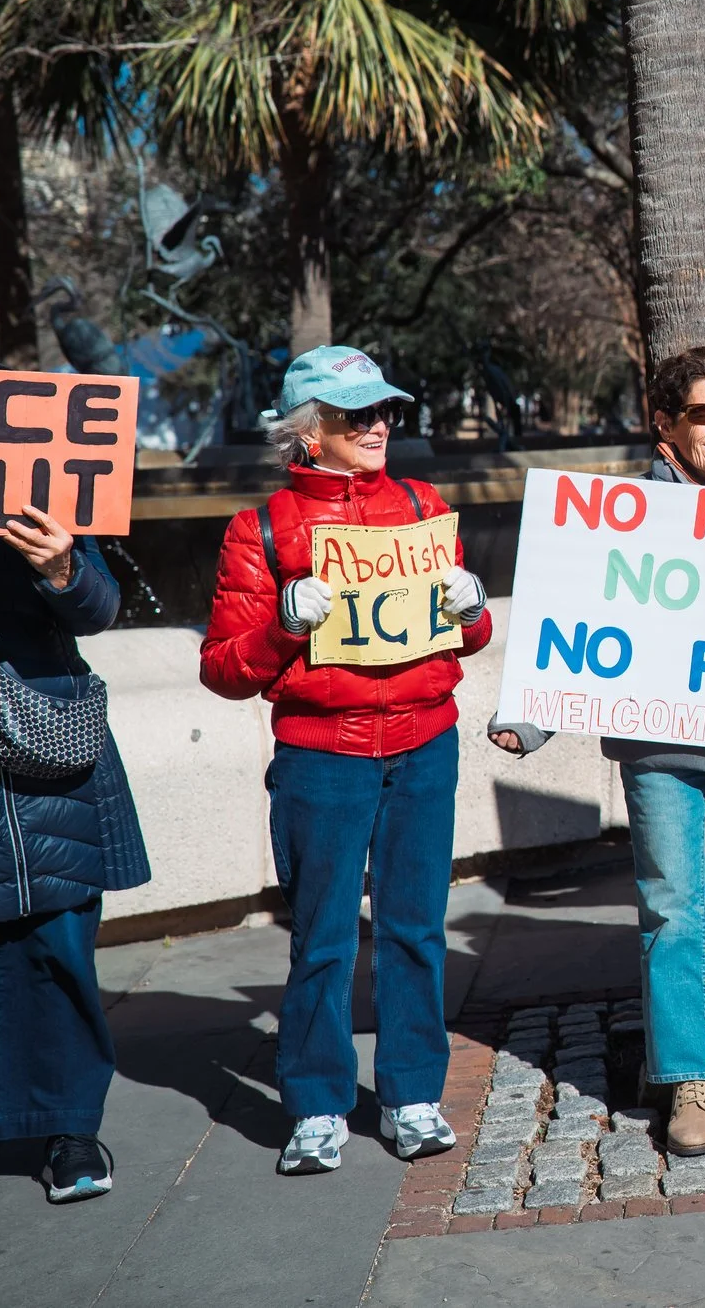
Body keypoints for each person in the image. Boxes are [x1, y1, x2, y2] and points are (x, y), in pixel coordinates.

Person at [502, 346, 705, 1158]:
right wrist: (528, 720)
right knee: (672, 911)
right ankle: (684, 1084)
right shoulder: (623, 509)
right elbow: (583, 620)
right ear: (664, 423)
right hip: (660, 751)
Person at [201, 346, 491, 1174]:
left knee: (414, 930)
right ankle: (318, 1103)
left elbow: (464, 634)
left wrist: (471, 609)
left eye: (383, 410)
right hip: (322, 759)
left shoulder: (423, 504)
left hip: (424, 746)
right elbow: (225, 667)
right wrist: (285, 622)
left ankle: (411, 1094)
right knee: (323, 938)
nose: (377, 425)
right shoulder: (259, 528)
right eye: (356, 414)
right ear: (309, 431)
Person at [0, 333, 149, 1205]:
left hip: (48, 750)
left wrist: (61, 564)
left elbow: (102, 604)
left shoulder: (36, 479)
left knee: (60, 942)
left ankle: (72, 1133)